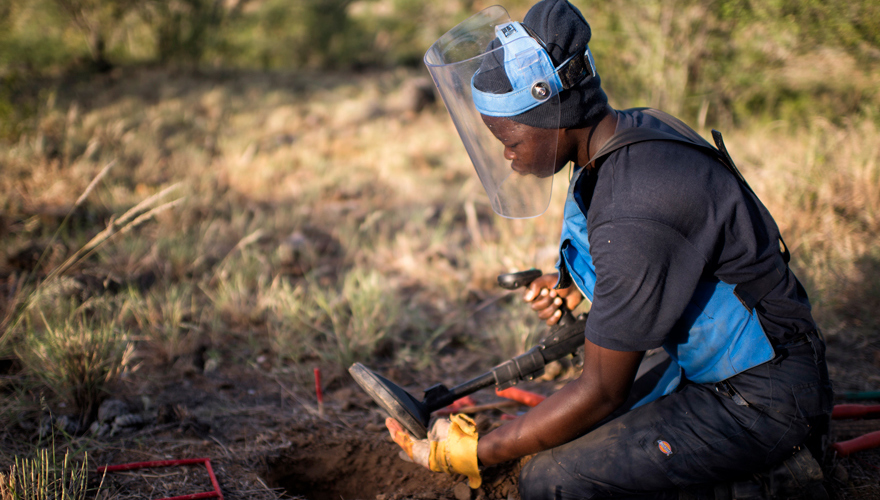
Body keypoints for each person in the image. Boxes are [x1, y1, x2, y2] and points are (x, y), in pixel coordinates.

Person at [386, 1, 833, 498]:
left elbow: (602, 390)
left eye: (509, 138)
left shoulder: (637, 203)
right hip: (735, 358)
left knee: (551, 479)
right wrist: (577, 285)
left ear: (556, 112)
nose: (506, 155)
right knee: (567, 424)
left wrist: (476, 451)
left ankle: (777, 480)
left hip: (762, 396)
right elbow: (664, 258)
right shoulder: (629, 135)